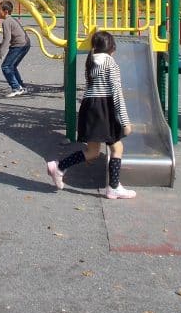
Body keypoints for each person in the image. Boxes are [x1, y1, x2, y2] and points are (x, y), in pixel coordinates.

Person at [45, 31, 136, 199]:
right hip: (104, 107)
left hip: (89, 107)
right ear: (111, 47)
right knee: (117, 147)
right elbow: (116, 92)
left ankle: (59, 167)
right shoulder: (110, 62)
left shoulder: (90, 61)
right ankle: (113, 187)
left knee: (93, 151)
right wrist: (125, 121)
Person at [0, 0, 30, 97]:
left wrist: (1, 52)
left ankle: (16, 87)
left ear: (5, 12)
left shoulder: (6, 22)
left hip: (19, 45)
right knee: (12, 66)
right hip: (25, 44)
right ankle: (21, 86)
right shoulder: (11, 20)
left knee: (6, 66)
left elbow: (7, 38)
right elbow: (7, 40)